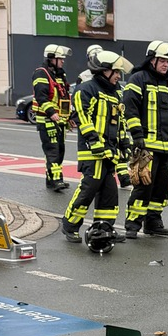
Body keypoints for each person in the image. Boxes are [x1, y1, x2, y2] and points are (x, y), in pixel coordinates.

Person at [62, 50, 134, 243]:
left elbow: (118, 123)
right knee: (89, 188)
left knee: (109, 193)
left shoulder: (115, 93)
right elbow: (82, 118)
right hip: (92, 152)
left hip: (109, 152)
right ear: (104, 71)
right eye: (116, 72)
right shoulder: (86, 89)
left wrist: (124, 143)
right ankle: (70, 225)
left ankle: (104, 228)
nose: (119, 76)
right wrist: (95, 142)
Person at [122, 41, 168, 237]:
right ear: (152, 60)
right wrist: (137, 136)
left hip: (167, 148)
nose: (166, 64)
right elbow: (130, 109)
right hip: (147, 147)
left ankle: (153, 222)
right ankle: (132, 224)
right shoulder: (138, 79)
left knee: (161, 188)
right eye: (162, 60)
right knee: (143, 186)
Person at [32, 44, 72, 192]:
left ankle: (53, 179)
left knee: (60, 150)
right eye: (60, 59)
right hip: (47, 120)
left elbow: (64, 97)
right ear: (51, 59)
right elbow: (41, 97)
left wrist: (68, 117)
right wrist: (51, 112)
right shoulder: (41, 74)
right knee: (52, 151)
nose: (62, 61)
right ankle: (56, 181)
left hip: (59, 121)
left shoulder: (60, 75)